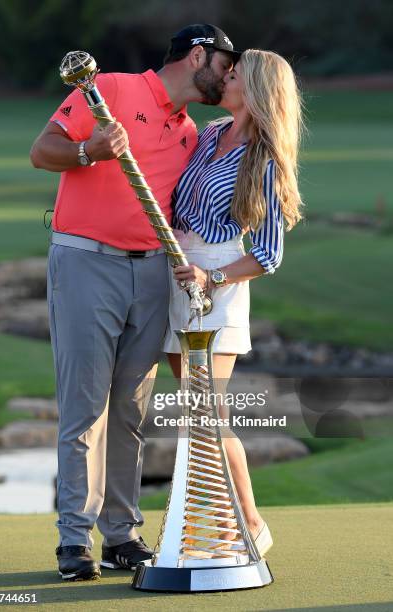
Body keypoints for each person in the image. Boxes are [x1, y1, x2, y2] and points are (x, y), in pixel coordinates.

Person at [30, 24, 241, 581]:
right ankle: (74, 541)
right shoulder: (112, 89)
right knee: (85, 406)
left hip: (152, 274)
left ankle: (121, 535)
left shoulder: (191, 131)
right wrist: (86, 150)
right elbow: (41, 150)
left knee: (130, 408)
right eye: (225, 63)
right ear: (198, 55)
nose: (228, 75)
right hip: (85, 262)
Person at [164, 49, 304, 557]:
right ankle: (223, 527)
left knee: (207, 414)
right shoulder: (206, 134)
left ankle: (248, 523)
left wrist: (212, 276)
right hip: (178, 276)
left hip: (217, 286)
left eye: (235, 71)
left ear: (257, 87)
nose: (225, 76)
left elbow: (268, 253)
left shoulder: (265, 158)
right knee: (194, 415)